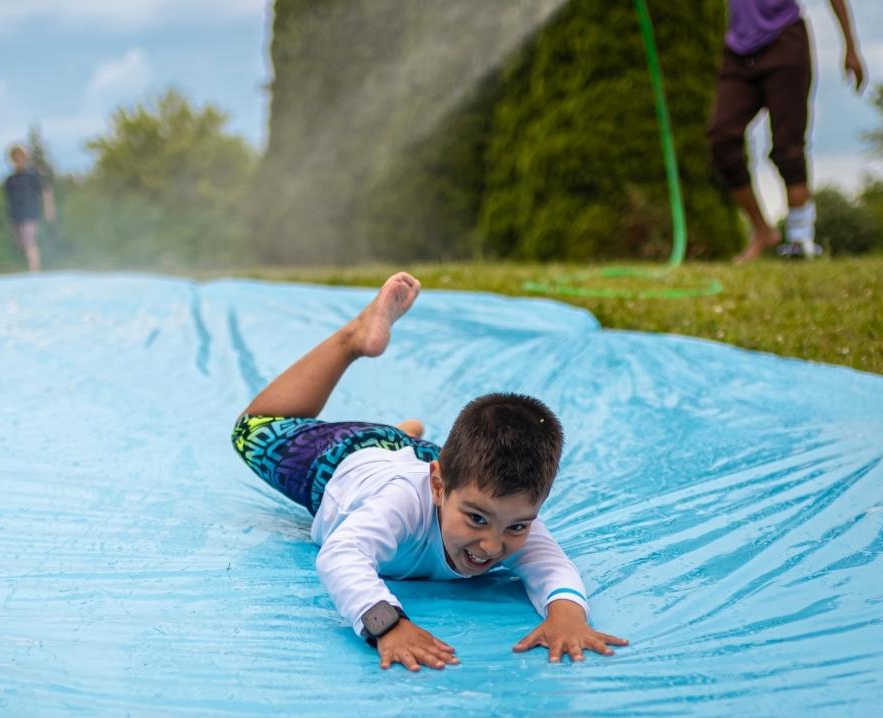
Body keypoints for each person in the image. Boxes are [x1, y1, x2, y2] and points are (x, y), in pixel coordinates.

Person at [230, 273, 628, 671]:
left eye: (517, 527)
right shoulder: (401, 503)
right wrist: (387, 625)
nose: (491, 546)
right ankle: (353, 339)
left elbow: (550, 564)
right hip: (352, 458)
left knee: (448, 466)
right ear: (437, 486)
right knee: (253, 429)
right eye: (476, 519)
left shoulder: (497, 504)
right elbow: (341, 554)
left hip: (427, 458)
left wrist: (567, 616)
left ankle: (408, 436)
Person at [707, 0, 867, 262]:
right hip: (738, 49)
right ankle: (762, 230)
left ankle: (800, 239)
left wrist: (850, 46)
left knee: (787, 147)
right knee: (721, 138)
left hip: (784, 41)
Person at [2, 145, 56, 272]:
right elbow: (8, 200)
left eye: (20, 156)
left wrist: (49, 209)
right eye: (15, 157)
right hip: (16, 215)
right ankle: (31, 268)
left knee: (29, 242)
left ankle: (34, 271)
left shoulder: (33, 175)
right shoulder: (10, 179)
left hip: (31, 213)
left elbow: (46, 191)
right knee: (21, 244)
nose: (18, 159)